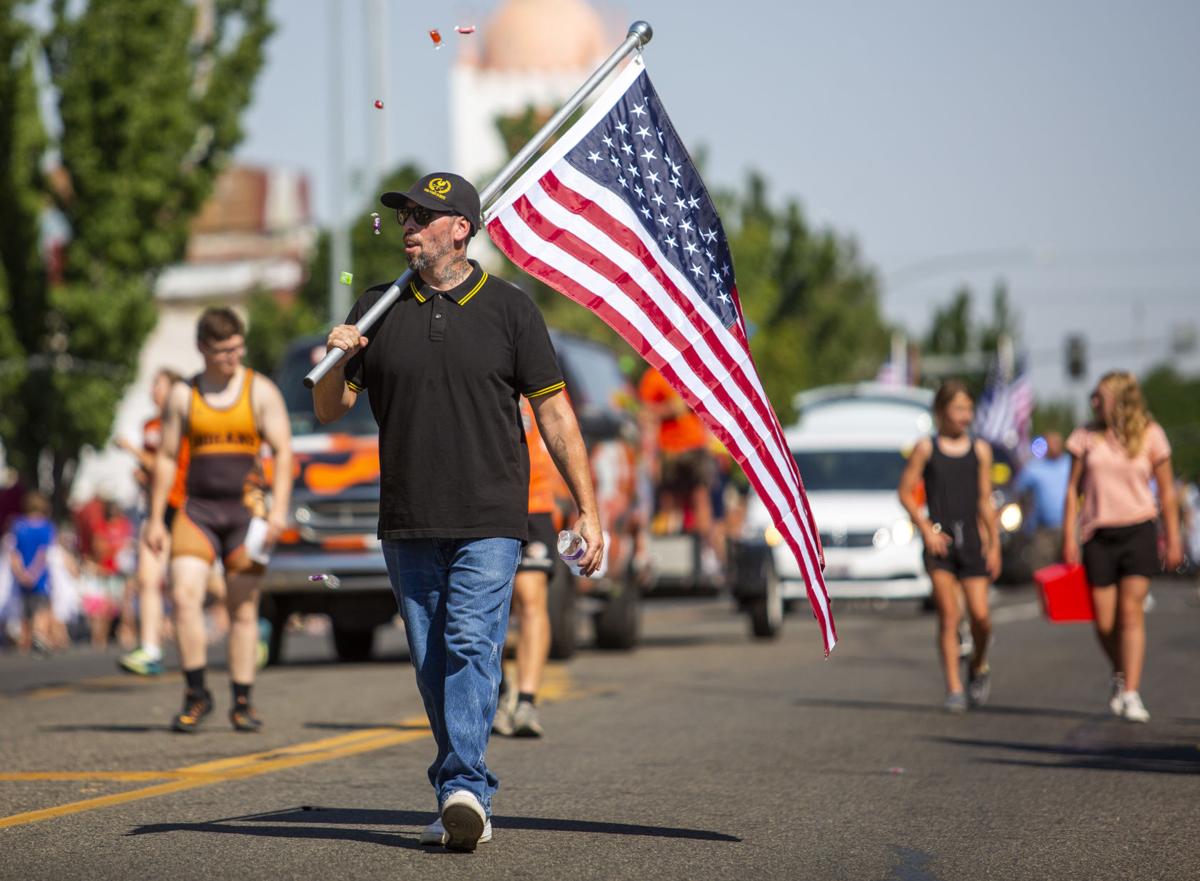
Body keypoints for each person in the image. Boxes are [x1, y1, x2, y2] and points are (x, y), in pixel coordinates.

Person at [313, 172, 603, 852]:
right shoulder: (377, 307)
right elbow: (333, 409)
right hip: (408, 516)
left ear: (460, 228)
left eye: (423, 215)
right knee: (430, 661)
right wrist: (337, 359)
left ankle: (464, 786)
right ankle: (458, 785)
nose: (409, 225)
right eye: (405, 215)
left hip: (490, 514)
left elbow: (555, 413)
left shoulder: (510, 310)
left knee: (471, 643)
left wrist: (589, 508)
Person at [144, 307, 293, 733]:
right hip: (198, 511)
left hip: (247, 513)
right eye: (223, 351)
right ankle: (195, 693)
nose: (232, 358)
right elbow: (168, 458)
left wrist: (279, 508)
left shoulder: (259, 391)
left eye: (237, 348)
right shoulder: (183, 396)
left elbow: (283, 451)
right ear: (202, 349)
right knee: (184, 594)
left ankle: (242, 701)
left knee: (242, 607)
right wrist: (156, 519)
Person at [1062, 371, 1181, 723]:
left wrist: (1172, 537)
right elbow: (1072, 490)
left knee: (1130, 614)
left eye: (1101, 396)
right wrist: (1068, 534)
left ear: (1121, 399)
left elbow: (1167, 491)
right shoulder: (1084, 436)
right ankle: (1120, 672)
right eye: (1093, 397)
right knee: (1103, 621)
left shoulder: (1150, 434)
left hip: (1139, 530)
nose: (1094, 402)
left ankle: (1130, 692)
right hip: (1098, 534)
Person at [899, 379, 1001, 713]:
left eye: (968, 408)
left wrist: (994, 542)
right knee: (949, 615)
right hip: (940, 543)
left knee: (981, 618)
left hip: (972, 541)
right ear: (941, 412)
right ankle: (954, 688)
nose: (964, 415)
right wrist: (925, 528)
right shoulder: (926, 448)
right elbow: (905, 492)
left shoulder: (980, 450)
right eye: (958, 408)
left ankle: (977, 665)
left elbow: (985, 500)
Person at [493, 397, 568, 739]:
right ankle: (498, 690)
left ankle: (526, 700)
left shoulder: (540, 373)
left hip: (534, 502)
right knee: (487, 603)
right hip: (487, 501)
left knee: (530, 597)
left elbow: (563, 429)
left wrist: (583, 504)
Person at [118, 367, 188, 675]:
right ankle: (150, 648)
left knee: (191, 582)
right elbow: (154, 470)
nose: (153, 390)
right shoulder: (149, 425)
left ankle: (251, 612)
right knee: (148, 577)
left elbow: (166, 464)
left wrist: (131, 450)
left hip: (184, 507)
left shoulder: (185, 422)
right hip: (155, 510)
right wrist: (142, 476)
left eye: (158, 384)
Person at [637, 365, 720, 573]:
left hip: (694, 445)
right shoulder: (652, 376)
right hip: (668, 449)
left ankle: (706, 553)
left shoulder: (688, 368)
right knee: (669, 501)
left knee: (700, 498)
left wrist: (681, 406)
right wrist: (669, 409)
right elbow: (645, 412)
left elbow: (703, 399)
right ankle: (669, 560)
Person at [1013, 431, 1071, 570]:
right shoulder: (1034, 467)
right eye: (1051, 443)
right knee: (1043, 571)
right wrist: (1025, 514)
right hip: (1043, 530)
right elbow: (1018, 491)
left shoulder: (1070, 463)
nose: (1054, 446)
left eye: (1057, 442)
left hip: (1068, 527)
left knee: (1069, 570)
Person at [7, 491, 57, 654]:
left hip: (21, 577)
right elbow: (43, 554)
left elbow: (14, 553)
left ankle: (25, 642)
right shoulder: (46, 526)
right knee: (41, 609)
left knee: (25, 610)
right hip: (40, 577)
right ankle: (39, 637)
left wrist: (21, 573)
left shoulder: (18, 525)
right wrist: (33, 573)